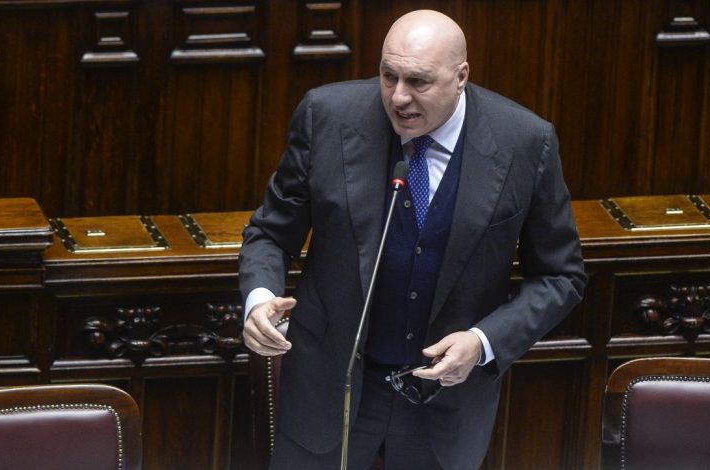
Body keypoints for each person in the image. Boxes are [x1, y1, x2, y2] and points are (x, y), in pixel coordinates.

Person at [239, 9, 586, 470]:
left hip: (445, 404)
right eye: (389, 76)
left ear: (461, 76)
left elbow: (561, 276)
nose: (399, 97)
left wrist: (483, 341)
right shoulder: (327, 116)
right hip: (329, 390)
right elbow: (270, 232)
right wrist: (260, 298)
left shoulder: (524, 142)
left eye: (419, 81)